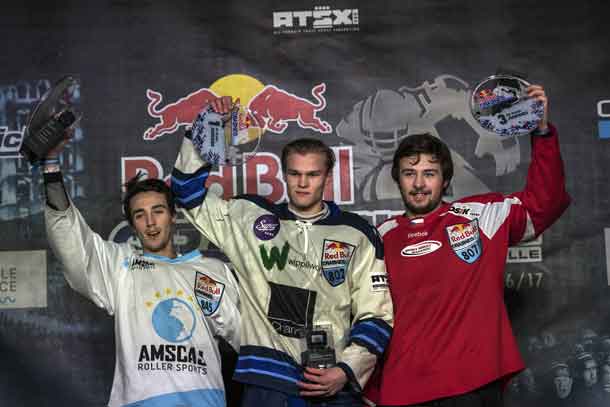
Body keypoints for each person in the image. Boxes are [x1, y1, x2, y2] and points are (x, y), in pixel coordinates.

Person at [171, 96, 394, 406]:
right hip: (267, 380)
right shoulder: (248, 217)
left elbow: (377, 315)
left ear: (327, 178)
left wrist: (346, 370)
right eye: (294, 174)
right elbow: (187, 192)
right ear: (283, 174)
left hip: (328, 382)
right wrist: (206, 131)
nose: (303, 183)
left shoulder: (356, 233)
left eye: (313, 175)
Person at [365, 85, 571, 406]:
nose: (419, 184)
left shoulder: (481, 216)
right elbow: (369, 318)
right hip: (402, 390)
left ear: (445, 179)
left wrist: (541, 132)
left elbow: (545, 203)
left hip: (471, 386)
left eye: (429, 173)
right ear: (398, 179)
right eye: (410, 174)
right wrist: (372, 389)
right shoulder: (379, 238)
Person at [42, 137, 240, 407]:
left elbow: (249, 338)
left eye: (158, 211)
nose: (150, 222)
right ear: (132, 224)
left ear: (173, 214)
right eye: (139, 215)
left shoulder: (210, 271)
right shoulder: (120, 268)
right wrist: (51, 169)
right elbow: (73, 243)